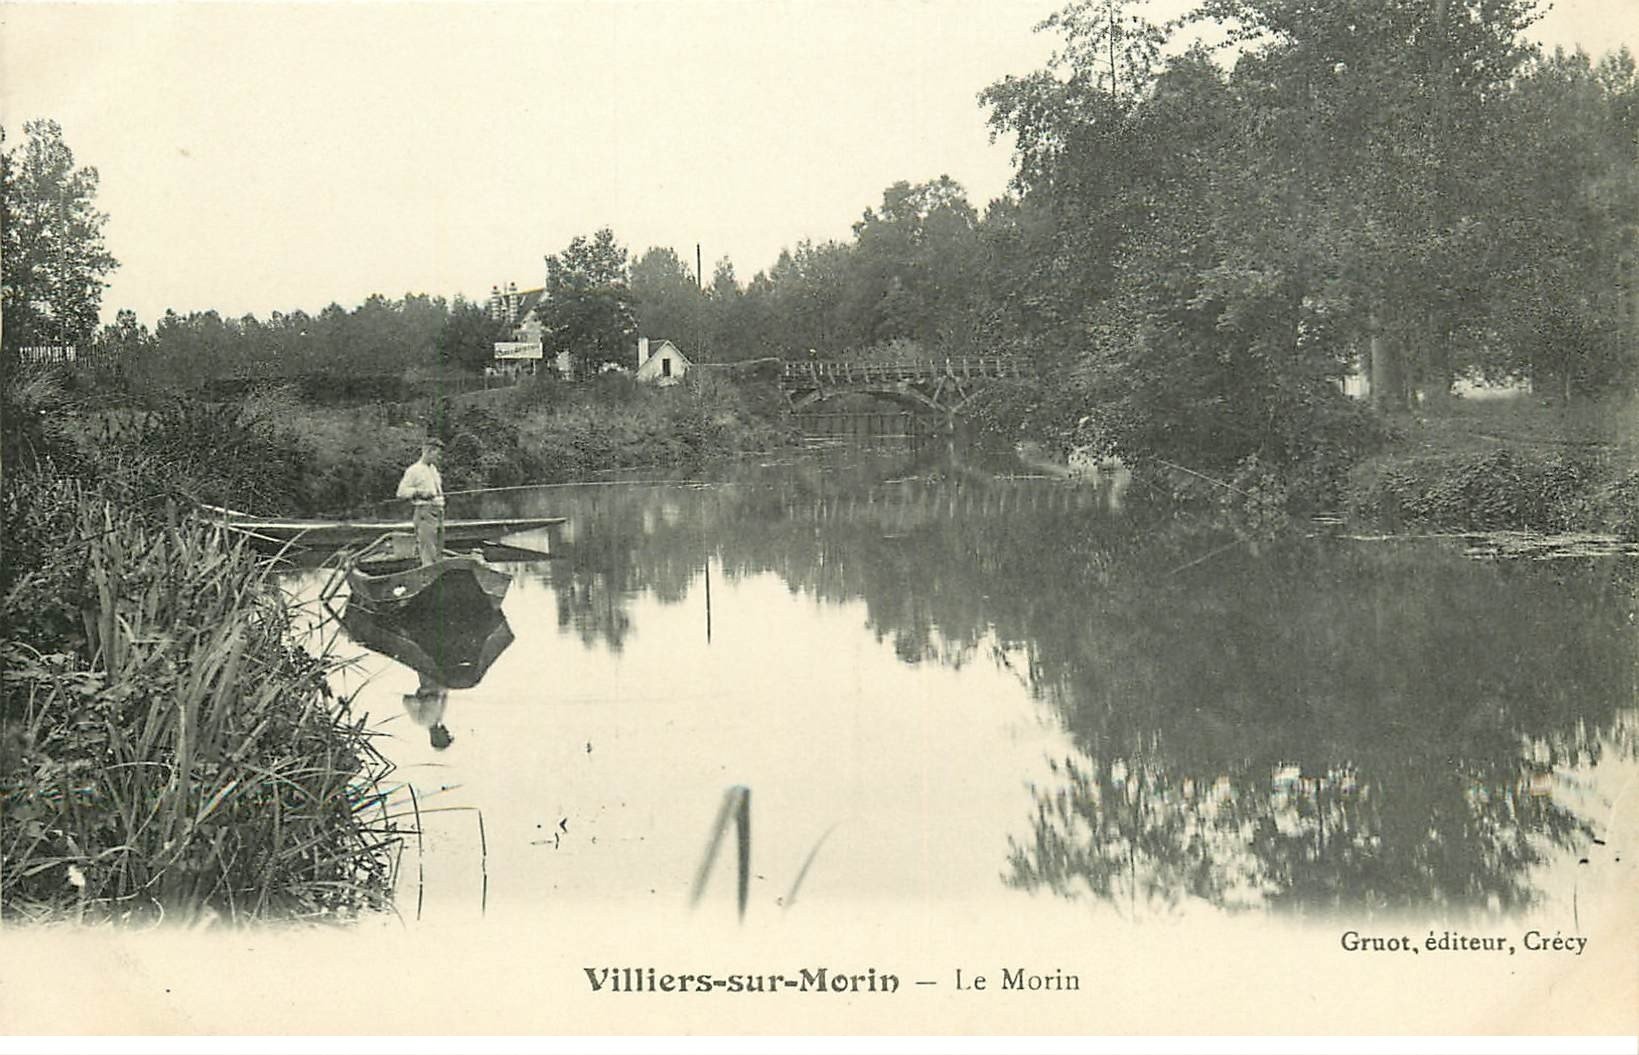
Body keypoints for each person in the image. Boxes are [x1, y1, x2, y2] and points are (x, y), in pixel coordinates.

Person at [397, 437, 445, 565]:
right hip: (425, 513)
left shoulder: (433, 469)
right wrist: (419, 493)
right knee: (428, 553)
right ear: (428, 451)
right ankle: (428, 577)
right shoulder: (414, 470)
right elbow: (401, 492)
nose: (439, 458)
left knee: (438, 551)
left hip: (438, 513)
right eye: (437, 454)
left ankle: (438, 579)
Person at [402, 674, 453, 751]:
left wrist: (423, 696)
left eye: (446, 736)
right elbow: (444, 695)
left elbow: (407, 701)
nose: (447, 732)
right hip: (441, 680)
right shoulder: (439, 718)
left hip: (428, 679)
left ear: (437, 738)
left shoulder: (420, 721)